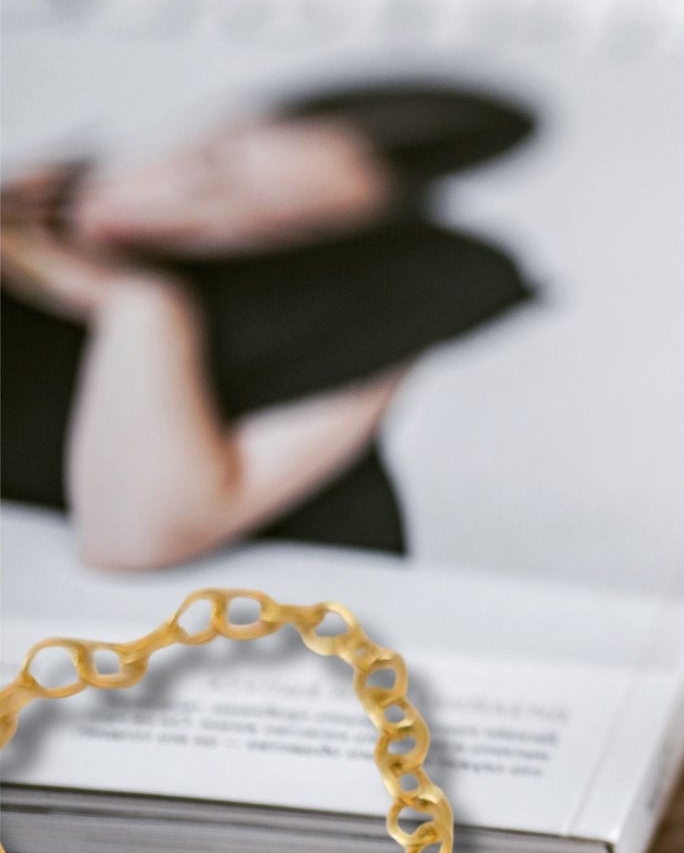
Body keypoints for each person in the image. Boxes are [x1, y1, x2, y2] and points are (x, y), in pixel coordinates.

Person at [0, 80, 538, 567]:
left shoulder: (354, 313)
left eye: (255, 231)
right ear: (216, 126)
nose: (177, 210)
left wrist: (142, 309)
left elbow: (133, 540)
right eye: (205, 167)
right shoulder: (26, 209)